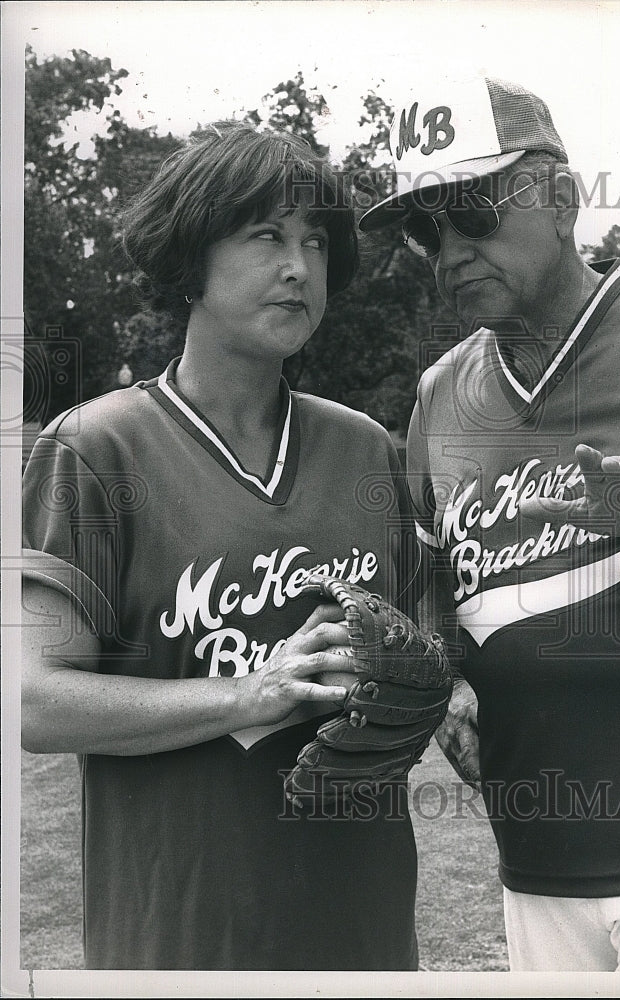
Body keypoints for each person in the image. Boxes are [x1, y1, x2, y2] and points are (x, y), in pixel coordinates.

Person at [359, 75, 620, 979]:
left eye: (473, 212)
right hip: (534, 869)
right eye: (427, 230)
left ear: (561, 198)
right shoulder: (439, 396)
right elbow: (436, 593)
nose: (450, 250)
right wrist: (442, 679)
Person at [21, 121, 420, 971]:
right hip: (176, 939)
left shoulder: (368, 451)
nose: (299, 267)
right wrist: (252, 692)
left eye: (316, 243)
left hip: (364, 932)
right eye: (267, 235)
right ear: (190, 259)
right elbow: (35, 702)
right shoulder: (94, 449)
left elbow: (430, 657)